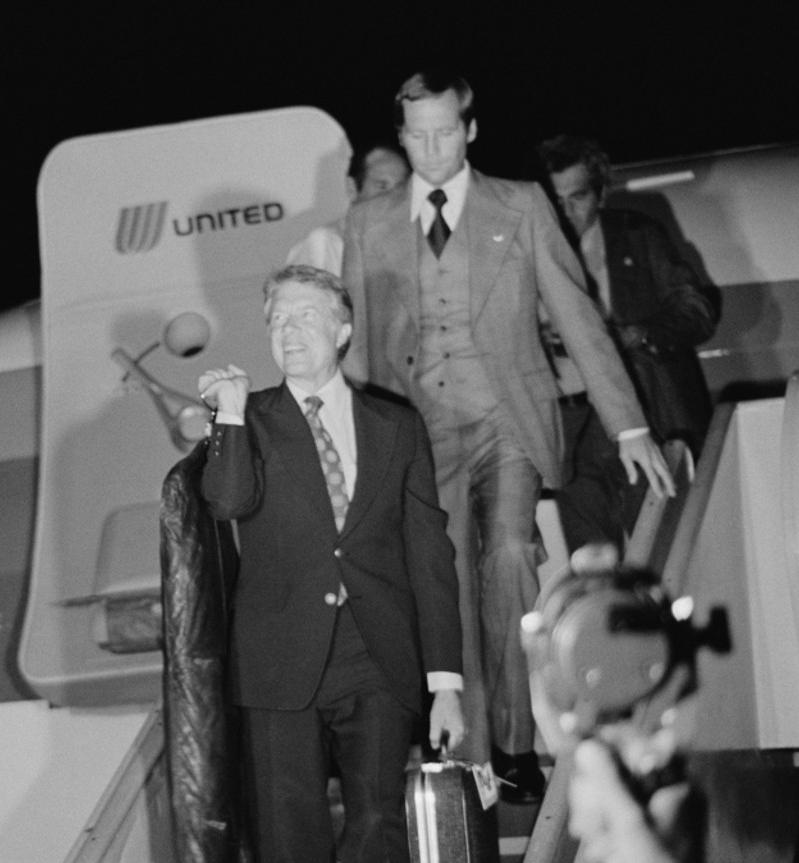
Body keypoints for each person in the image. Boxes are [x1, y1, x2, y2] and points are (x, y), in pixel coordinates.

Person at [341, 70, 676, 803]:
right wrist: (357, 450)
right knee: (446, 579)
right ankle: (477, 756)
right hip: (419, 431)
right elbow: (361, 346)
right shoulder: (367, 223)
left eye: (444, 131)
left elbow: (578, 313)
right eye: (415, 134)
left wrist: (629, 424)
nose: (430, 148)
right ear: (401, 136)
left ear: (470, 129)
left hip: (507, 418)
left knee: (508, 554)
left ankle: (520, 740)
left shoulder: (520, 206)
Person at [199, 264, 464, 862]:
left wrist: (445, 683)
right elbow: (228, 501)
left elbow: (429, 555)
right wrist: (231, 414)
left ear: (343, 330)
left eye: (306, 315)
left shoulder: (395, 425)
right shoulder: (250, 419)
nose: (288, 331)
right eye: (278, 320)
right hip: (277, 657)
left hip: (376, 652)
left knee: (378, 825)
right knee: (287, 835)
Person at [537, 135, 719, 553]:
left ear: (600, 194)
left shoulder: (638, 235)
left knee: (661, 550)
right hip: (571, 434)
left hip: (647, 419)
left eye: (577, 196)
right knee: (590, 563)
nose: (566, 211)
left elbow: (697, 311)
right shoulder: (529, 253)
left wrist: (636, 335)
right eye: (555, 200)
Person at [286, 142, 409, 274]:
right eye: (381, 186)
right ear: (352, 188)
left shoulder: (411, 240)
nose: (393, 197)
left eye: (400, 187)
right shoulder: (323, 245)